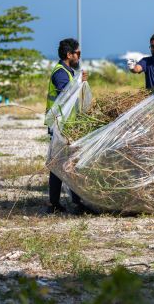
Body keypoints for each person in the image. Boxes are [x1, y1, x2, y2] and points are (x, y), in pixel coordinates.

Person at [45, 38, 88, 215]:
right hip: (61, 125)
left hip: (68, 124)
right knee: (63, 163)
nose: (79, 56)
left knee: (67, 163)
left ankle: (64, 201)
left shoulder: (69, 71)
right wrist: (79, 81)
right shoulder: (61, 73)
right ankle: (63, 203)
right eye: (77, 53)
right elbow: (67, 94)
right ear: (69, 54)